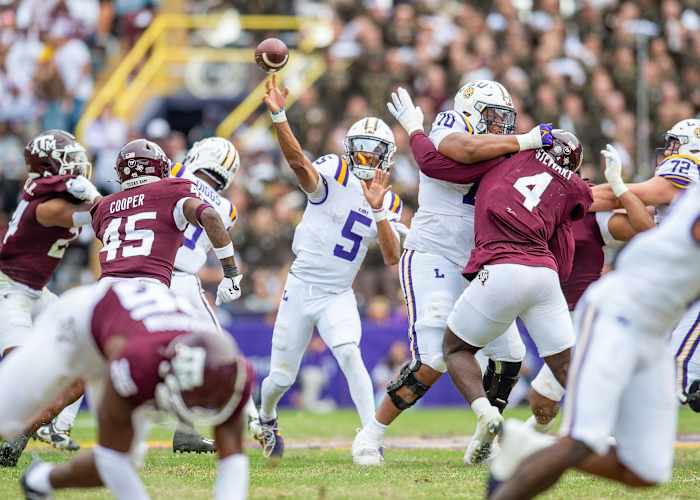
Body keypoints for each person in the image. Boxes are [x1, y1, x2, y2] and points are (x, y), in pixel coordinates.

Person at [353, 83, 555, 466]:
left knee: (510, 354)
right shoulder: (452, 123)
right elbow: (448, 159)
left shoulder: (500, 145)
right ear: (471, 109)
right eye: (493, 115)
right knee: (433, 357)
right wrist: (524, 141)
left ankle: (487, 429)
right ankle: (369, 435)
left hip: (478, 260)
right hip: (433, 253)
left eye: (504, 118)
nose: (500, 124)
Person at [488, 183, 700, 500]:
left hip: (655, 331)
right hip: (618, 314)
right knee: (583, 439)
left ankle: (530, 447)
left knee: (645, 470)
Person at [406, 111, 592, 464]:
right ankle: (605, 429)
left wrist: (414, 130)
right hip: (544, 275)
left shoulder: (507, 157)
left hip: (502, 270)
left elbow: (435, 164)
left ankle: (486, 413)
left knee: (455, 348)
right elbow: (565, 262)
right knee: (566, 366)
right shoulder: (572, 187)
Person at [256, 75, 403, 462]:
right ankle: (266, 417)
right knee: (280, 379)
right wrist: (279, 118)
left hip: (337, 292)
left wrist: (377, 210)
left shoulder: (390, 199)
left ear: (387, 157)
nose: (367, 160)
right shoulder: (335, 171)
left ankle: (369, 439)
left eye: (375, 153)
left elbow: (392, 256)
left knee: (350, 353)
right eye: (362, 151)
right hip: (302, 286)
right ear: (350, 150)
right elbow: (298, 164)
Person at [0, 280, 253, 500]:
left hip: (129, 329)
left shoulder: (230, 371)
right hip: (78, 322)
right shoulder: (140, 364)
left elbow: (233, 458)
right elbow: (112, 458)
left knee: (121, 460)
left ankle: (38, 480)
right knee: (5, 415)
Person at [89, 138, 244, 453]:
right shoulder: (182, 190)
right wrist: (230, 272)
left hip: (109, 285)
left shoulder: (107, 204)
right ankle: (226, 423)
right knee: (188, 351)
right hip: (158, 281)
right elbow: (210, 218)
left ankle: (50, 423)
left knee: (91, 357)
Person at [526, 144, 655, 431]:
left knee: (544, 397)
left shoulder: (591, 208)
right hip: (548, 311)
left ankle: (606, 434)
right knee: (542, 402)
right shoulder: (528, 202)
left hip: (584, 311)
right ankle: (531, 442)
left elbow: (644, 228)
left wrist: (620, 186)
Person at [0, 130, 100, 465]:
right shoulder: (47, 206)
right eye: (69, 159)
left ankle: (28, 431)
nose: (77, 166)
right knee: (21, 370)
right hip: (8, 288)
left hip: (35, 292)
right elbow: (98, 212)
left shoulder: (44, 190)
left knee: (89, 357)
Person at [592, 118, 700, 408]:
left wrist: (569, 197)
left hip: (690, 284)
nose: (668, 151)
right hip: (684, 284)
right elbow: (645, 223)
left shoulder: (686, 169)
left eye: (675, 144)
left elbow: (621, 198)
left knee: (677, 367)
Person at [168, 137, 260, 452]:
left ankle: (62, 420)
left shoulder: (175, 172)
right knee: (217, 349)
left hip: (150, 271)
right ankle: (255, 419)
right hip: (183, 281)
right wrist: (231, 273)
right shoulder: (228, 209)